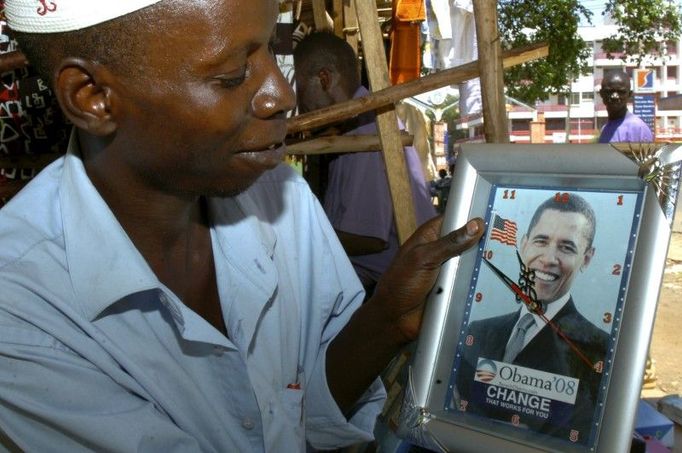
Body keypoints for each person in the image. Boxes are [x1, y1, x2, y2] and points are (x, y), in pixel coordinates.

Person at [0, 1, 484, 451]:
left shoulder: (283, 198)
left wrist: (385, 322)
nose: (282, 94)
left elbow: (308, 413)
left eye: (272, 49)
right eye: (233, 75)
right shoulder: (19, 307)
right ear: (93, 97)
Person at [456, 193, 608, 445]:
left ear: (587, 259)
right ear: (524, 244)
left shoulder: (597, 350)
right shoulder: (479, 331)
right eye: (541, 241)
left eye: (566, 247)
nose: (548, 259)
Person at [293, 31, 437, 296]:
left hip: (399, 294)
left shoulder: (368, 133)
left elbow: (367, 239)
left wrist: (295, 241)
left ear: (324, 79)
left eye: (300, 90)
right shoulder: (353, 129)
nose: (299, 104)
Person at [598, 70, 654, 143]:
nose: (615, 96)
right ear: (601, 94)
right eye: (609, 91)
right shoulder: (605, 129)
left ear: (629, 95)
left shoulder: (637, 128)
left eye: (621, 92)